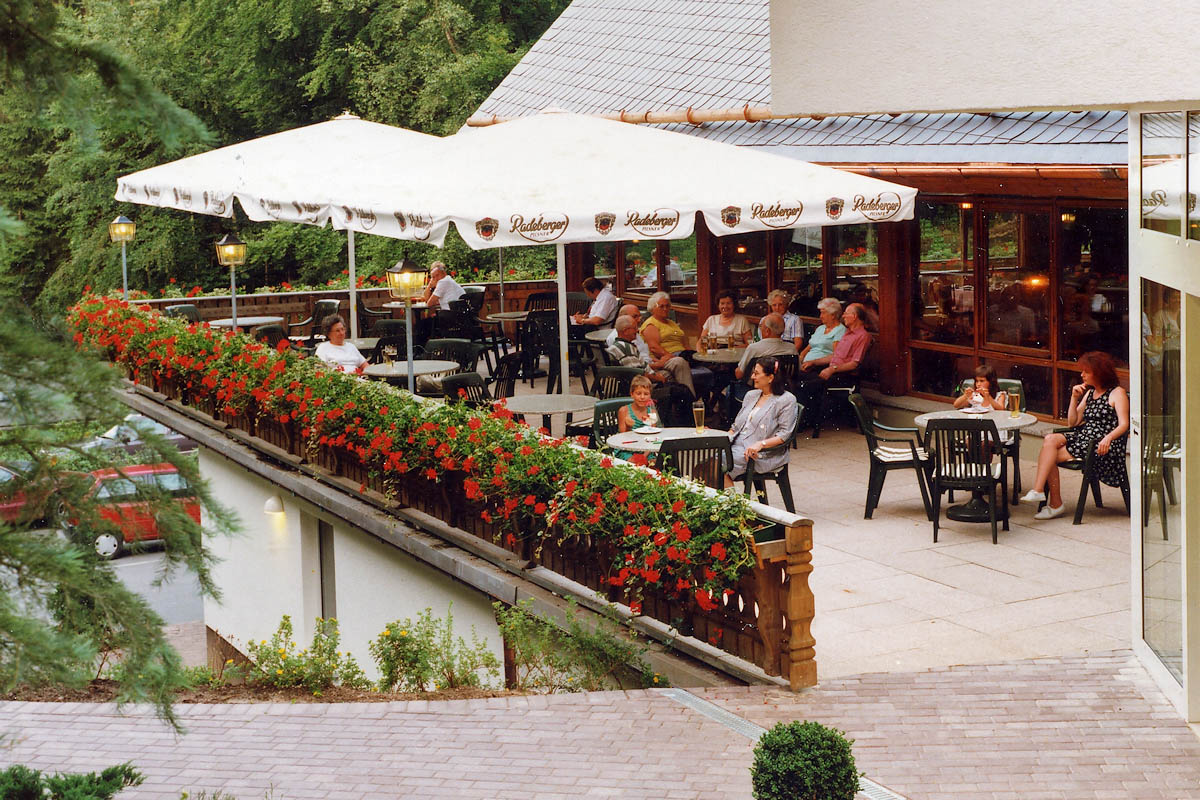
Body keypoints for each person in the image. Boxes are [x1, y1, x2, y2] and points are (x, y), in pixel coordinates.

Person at [1020, 351, 1129, 520]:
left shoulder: (1117, 393)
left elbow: (1124, 424)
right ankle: (1039, 490)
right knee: (1049, 439)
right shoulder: (1090, 393)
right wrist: (1073, 398)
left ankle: (1053, 502)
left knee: (1049, 456)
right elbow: (1072, 423)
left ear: (1099, 373)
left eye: (1086, 371)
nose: (1082, 375)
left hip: (1101, 444)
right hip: (1084, 437)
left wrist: (1108, 438)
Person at [793, 302, 871, 429]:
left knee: (805, 386)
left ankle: (804, 423)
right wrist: (814, 362)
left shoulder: (863, 336)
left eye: (846, 313)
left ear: (855, 316)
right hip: (832, 371)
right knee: (795, 377)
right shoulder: (847, 333)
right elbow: (834, 356)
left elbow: (854, 364)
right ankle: (801, 420)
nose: (843, 316)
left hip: (844, 376)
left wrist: (832, 369)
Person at [724, 357, 797, 487]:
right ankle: (727, 503)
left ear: (770, 377)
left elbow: (784, 435)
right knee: (703, 462)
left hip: (761, 453)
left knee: (716, 467)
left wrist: (761, 444)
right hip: (736, 445)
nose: (752, 377)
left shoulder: (786, 400)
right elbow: (735, 428)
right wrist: (718, 438)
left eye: (756, 373)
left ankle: (732, 505)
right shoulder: (751, 395)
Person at [607, 315, 695, 395]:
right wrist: (657, 377)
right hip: (645, 384)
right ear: (626, 331)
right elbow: (638, 374)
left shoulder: (623, 345)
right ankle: (689, 402)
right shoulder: (625, 348)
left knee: (675, 370)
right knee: (679, 386)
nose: (637, 330)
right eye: (634, 328)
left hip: (649, 374)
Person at [612, 375, 659, 462]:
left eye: (646, 394)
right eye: (638, 393)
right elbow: (623, 438)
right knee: (633, 463)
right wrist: (629, 426)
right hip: (626, 450)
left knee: (655, 465)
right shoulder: (624, 411)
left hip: (646, 450)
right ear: (632, 394)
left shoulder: (651, 413)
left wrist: (644, 456)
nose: (642, 397)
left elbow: (652, 438)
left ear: (650, 395)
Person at [796, 297, 845, 372]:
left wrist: (813, 363)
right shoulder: (820, 328)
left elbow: (836, 356)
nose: (820, 316)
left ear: (833, 315)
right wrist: (800, 361)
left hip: (820, 367)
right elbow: (806, 349)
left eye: (823, 313)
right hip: (806, 365)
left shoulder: (840, 330)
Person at [640, 292, 689, 358]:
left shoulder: (672, 323)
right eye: (661, 306)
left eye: (667, 306)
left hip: (683, 354)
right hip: (668, 357)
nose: (665, 309)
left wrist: (692, 356)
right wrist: (672, 357)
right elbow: (654, 348)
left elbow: (685, 344)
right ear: (653, 308)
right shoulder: (651, 324)